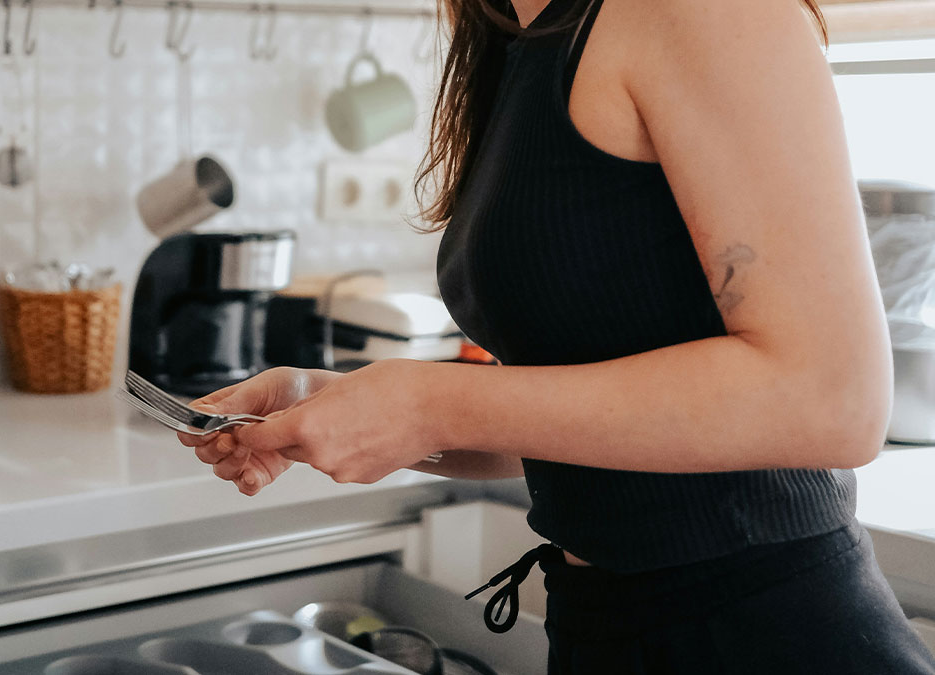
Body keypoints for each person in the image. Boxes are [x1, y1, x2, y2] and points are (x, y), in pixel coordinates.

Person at [178, 0, 935, 671]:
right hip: (606, 625)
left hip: (762, 632)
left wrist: (436, 403)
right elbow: (587, 412)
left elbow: (833, 398)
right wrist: (340, 405)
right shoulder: (517, 33)